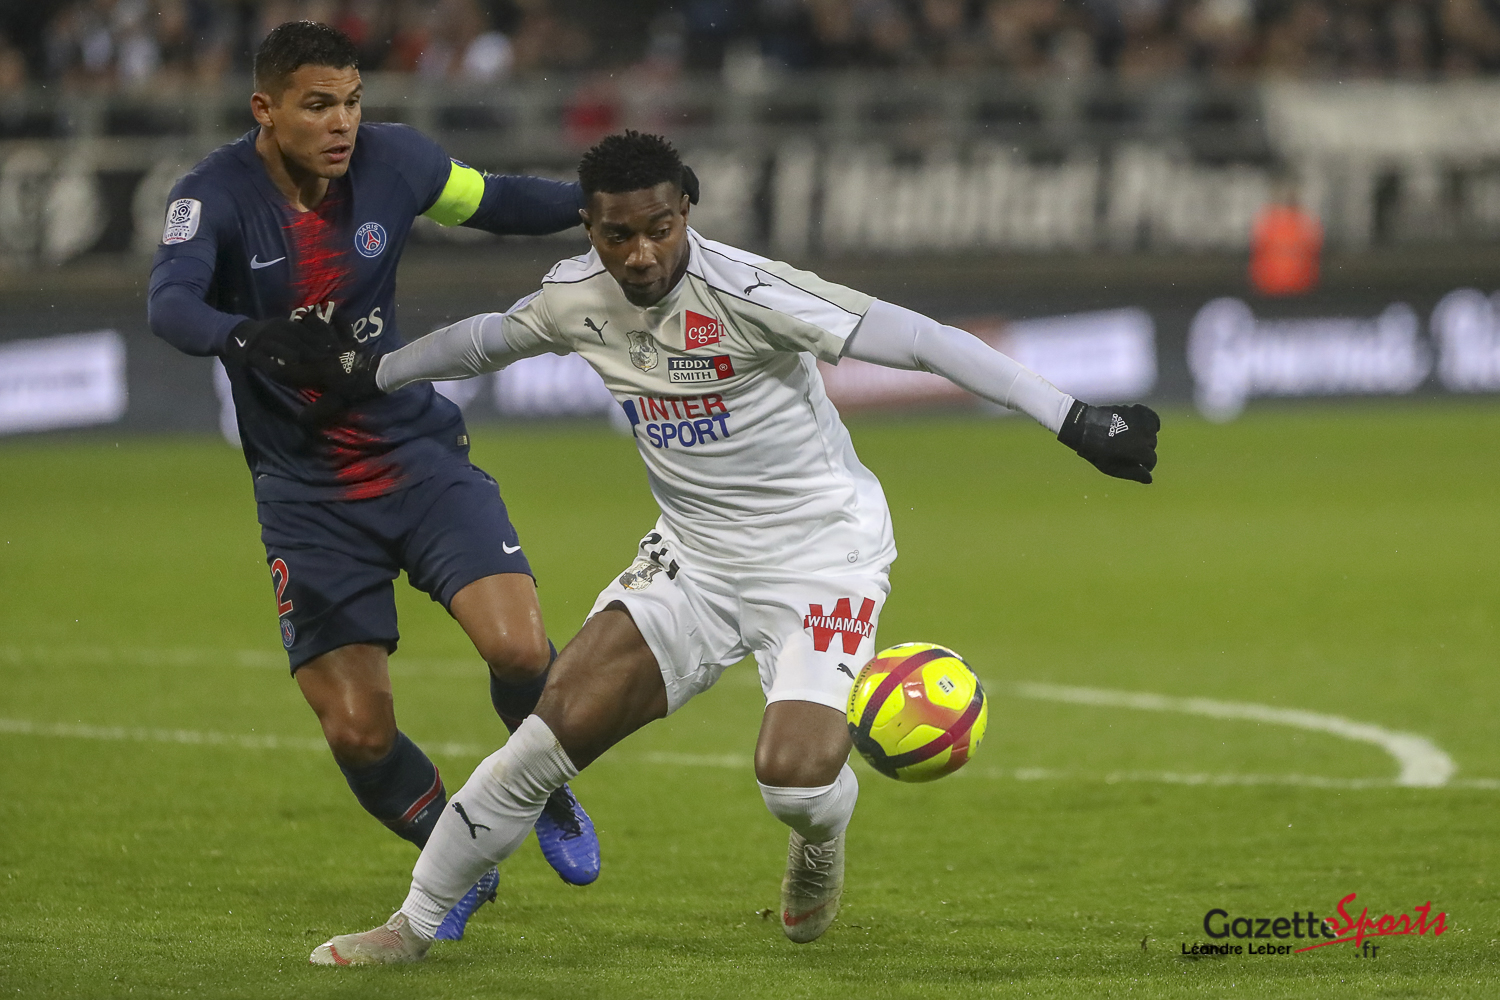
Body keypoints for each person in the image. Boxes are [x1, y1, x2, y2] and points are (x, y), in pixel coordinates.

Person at [299, 130, 1159, 965]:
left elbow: (922, 340)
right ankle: (410, 928)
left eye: (660, 228)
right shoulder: (574, 298)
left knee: (793, 783)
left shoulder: (750, 292)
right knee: (538, 747)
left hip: (820, 558)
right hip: (693, 561)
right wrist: (370, 374)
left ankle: (819, 837)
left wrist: (1074, 418)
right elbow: (485, 339)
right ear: (589, 228)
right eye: (617, 235)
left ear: (687, 211)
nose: (641, 255)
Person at [144, 20, 603, 940]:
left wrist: (602, 198)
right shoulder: (213, 195)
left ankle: (541, 781)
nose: (342, 122)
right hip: (305, 493)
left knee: (520, 650)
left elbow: (494, 199)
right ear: (265, 109)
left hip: (413, 455)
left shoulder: (396, 162)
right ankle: (453, 855)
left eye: (352, 101)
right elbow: (170, 303)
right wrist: (247, 336)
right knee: (357, 730)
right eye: (318, 105)